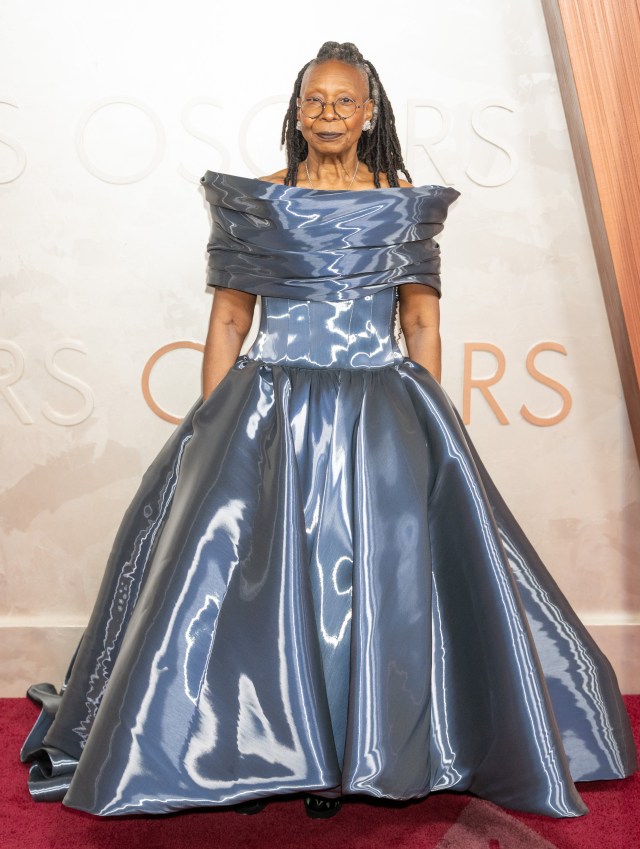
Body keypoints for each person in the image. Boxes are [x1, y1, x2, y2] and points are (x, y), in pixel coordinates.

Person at [21, 40, 637, 822]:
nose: (329, 114)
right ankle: (252, 752)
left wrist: (426, 417)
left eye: (345, 101)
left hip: (378, 411)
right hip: (269, 409)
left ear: (369, 112)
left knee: (372, 583)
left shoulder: (400, 203)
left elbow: (421, 320)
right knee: (247, 587)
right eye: (315, 100)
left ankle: (360, 751)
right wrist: (212, 427)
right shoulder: (262, 200)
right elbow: (230, 320)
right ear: (297, 109)